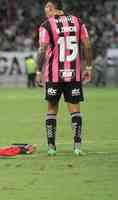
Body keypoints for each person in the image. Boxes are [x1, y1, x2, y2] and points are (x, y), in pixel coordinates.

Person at [35, 0, 92, 156]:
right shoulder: (78, 22)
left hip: (54, 75)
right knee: (75, 110)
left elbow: (42, 49)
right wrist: (88, 67)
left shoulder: (46, 25)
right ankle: (77, 146)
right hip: (73, 74)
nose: (45, 10)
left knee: (52, 109)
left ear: (51, 7)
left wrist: (38, 70)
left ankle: (52, 147)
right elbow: (87, 45)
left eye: (46, 7)